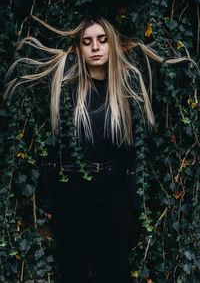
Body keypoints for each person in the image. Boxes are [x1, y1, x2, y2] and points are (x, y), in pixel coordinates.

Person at [4, 16, 191, 283]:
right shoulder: (67, 90)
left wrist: (135, 201)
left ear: (112, 45)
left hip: (111, 193)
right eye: (87, 42)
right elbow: (54, 145)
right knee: (73, 271)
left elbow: (131, 155)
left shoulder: (126, 91)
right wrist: (47, 198)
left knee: (114, 271)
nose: (95, 47)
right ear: (79, 49)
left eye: (102, 40)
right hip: (71, 193)